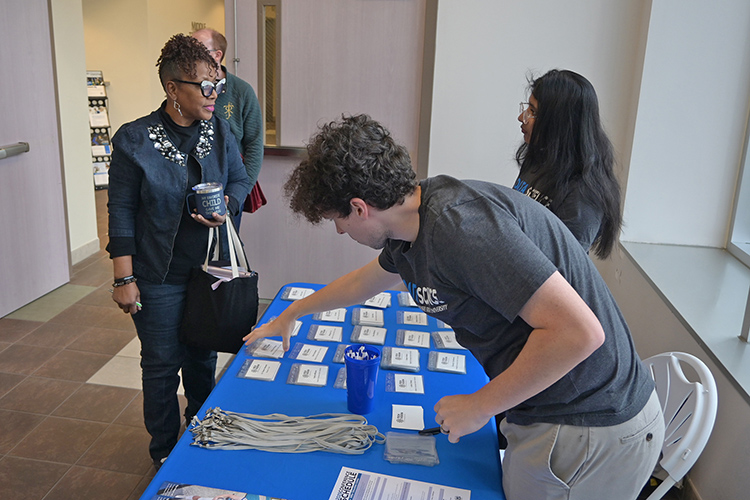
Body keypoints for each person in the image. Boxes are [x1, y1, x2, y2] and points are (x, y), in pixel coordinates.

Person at [244, 114, 664, 500]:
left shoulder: (462, 230)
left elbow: (579, 333)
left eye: (338, 219)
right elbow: (362, 283)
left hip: (589, 422)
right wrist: (291, 313)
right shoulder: (411, 223)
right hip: (549, 409)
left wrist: (479, 405)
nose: (338, 231)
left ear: (360, 207)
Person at [107, 34, 250, 470]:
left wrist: (227, 204)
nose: (214, 95)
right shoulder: (134, 141)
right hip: (158, 274)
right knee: (162, 365)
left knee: (202, 358)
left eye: (217, 84)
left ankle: (201, 434)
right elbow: (122, 212)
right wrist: (123, 278)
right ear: (173, 89)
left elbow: (241, 181)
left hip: (207, 271)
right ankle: (165, 451)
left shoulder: (220, 131)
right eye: (203, 86)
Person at [513, 69, 622, 259]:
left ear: (560, 123)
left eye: (533, 112)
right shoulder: (539, 157)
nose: (522, 118)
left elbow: (564, 268)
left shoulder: (584, 192)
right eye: (527, 108)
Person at [192, 28, 264, 227]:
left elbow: (255, 145)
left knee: (225, 250)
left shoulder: (242, 91)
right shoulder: (189, 88)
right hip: (193, 184)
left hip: (228, 186)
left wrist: (239, 193)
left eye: (197, 49)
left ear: (217, 55)